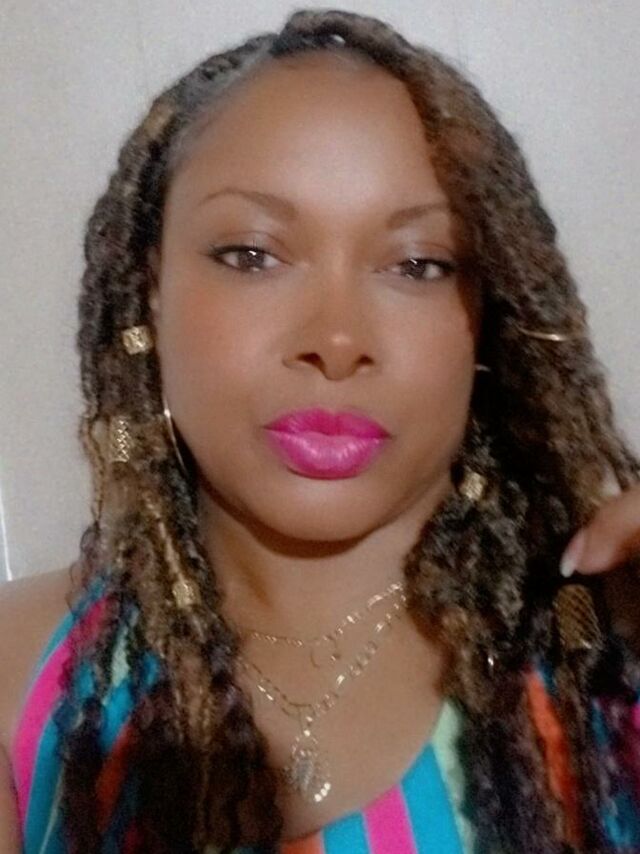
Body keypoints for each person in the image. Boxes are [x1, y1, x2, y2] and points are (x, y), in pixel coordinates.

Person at [1, 7, 639, 853]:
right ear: (150, 289)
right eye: (252, 255)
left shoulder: (607, 660)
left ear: (487, 318)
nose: (337, 340)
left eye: (419, 264)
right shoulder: (16, 673)